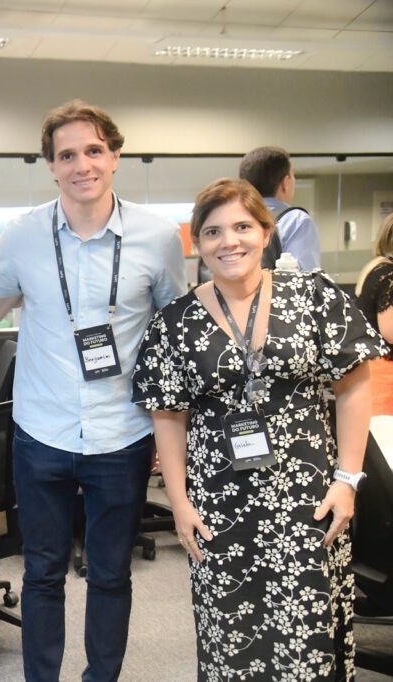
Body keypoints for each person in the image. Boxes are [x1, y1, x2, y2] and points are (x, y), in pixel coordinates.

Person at [0, 99, 186, 682]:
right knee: (41, 574)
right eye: (67, 155)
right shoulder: (22, 235)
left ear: (113, 156)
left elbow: (173, 336)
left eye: (93, 150)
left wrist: (171, 427)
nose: (81, 164)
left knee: (111, 573)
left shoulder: (157, 238)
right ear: (51, 166)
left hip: (123, 434)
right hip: (43, 433)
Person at [132, 178, 384, 680]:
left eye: (243, 226)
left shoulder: (313, 297)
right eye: (213, 231)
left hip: (306, 495)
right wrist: (179, 502)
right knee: (232, 630)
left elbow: (356, 387)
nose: (230, 241)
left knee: (307, 626)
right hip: (219, 502)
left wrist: (347, 480)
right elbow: (169, 416)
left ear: (266, 233)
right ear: (197, 244)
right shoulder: (176, 322)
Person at [239, 145, 322, 270]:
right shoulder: (296, 221)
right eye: (293, 176)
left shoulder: (231, 219)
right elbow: (306, 280)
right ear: (285, 183)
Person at [355, 211, 393, 415]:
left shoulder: (377, 267)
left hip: (373, 367)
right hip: (385, 375)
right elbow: (391, 332)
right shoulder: (390, 276)